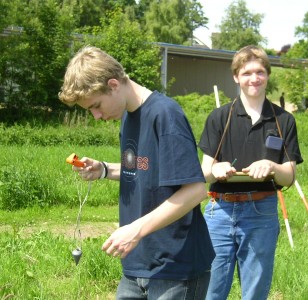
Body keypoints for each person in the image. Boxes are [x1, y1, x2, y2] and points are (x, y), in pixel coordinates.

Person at [58, 46, 215, 300]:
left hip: (176, 267)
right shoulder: (128, 117)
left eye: (96, 106)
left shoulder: (165, 114)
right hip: (138, 262)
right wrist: (104, 169)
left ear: (113, 84)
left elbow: (195, 190)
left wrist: (136, 230)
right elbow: (146, 169)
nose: (97, 116)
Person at [198, 45, 303, 300]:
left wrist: (273, 167)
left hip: (261, 213)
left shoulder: (283, 120)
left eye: (259, 72)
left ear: (267, 75)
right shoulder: (220, 118)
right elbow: (203, 173)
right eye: (246, 73)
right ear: (236, 77)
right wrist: (216, 168)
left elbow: (289, 176)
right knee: (211, 290)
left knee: (255, 292)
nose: (253, 78)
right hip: (219, 212)